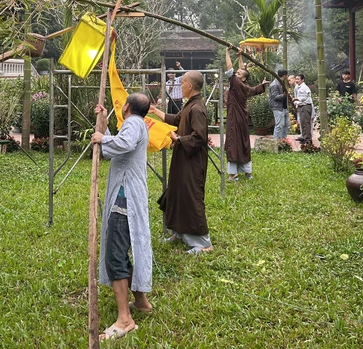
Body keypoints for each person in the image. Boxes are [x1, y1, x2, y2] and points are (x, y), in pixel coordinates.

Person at [91, 92, 153, 341]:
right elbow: (113, 150)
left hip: (123, 199)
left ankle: (125, 320)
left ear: (127, 107)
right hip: (128, 195)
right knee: (130, 247)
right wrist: (103, 128)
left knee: (116, 256)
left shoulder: (133, 124)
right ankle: (141, 301)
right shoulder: (136, 125)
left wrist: (100, 138)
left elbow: (121, 144)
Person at [149, 71, 212, 254]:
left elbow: (200, 138)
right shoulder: (189, 105)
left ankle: (204, 243)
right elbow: (176, 120)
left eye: (182, 83)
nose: (180, 86)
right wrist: (155, 111)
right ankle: (179, 233)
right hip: (183, 158)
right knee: (178, 193)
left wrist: (178, 140)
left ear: (190, 86)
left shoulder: (197, 108)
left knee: (191, 196)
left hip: (192, 161)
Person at [224, 48, 268, 180]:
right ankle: (247, 172)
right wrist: (240, 57)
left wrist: (227, 52)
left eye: (238, 74)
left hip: (234, 119)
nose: (236, 74)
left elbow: (230, 68)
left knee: (233, 142)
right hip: (242, 119)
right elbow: (243, 71)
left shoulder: (236, 82)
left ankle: (233, 174)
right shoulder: (245, 86)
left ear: (242, 78)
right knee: (243, 142)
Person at [292, 74, 314, 146]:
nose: (297, 80)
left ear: (302, 80)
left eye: (298, 79)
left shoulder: (304, 87)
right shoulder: (298, 87)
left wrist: (296, 99)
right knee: (302, 122)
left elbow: (304, 97)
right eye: (296, 79)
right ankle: (304, 137)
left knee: (306, 123)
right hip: (301, 106)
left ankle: (308, 139)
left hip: (305, 106)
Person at [268, 69, 289, 140]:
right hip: (277, 107)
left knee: (286, 124)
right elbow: (275, 97)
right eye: (287, 75)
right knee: (279, 125)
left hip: (284, 107)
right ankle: (276, 142)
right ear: (284, 75)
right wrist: (284, 95)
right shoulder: (274, 84)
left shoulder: (281, 83)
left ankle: (283, 141)